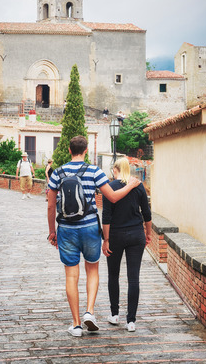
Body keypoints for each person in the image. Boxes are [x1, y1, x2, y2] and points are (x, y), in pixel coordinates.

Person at [47, 135, 140, 337]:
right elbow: (113, 197)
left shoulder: (58, 173)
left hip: (66, 229)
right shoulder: (94, 171)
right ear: (86, 150)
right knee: (92, 270)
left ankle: (77, 324)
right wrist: (131, 185)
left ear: (70, 150)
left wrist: (52, 232)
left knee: (71, 275)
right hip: (89, 228)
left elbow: (51, 205)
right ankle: (90, 311)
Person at [102, 157, 152, 332]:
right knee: (133, 277)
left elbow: (106, 216)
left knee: (113, 275)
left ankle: (114, 315)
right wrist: (148, 233)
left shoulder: (109, 188)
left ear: (115, 170)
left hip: (115, 234)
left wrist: (105, 239)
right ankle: (131, 321)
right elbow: (147, 213)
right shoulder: (138, 186)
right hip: (135, 234)